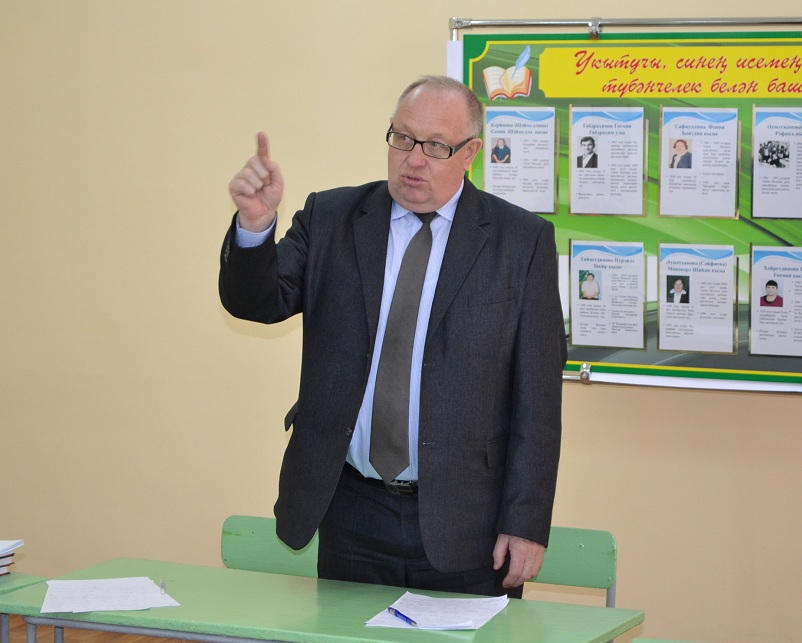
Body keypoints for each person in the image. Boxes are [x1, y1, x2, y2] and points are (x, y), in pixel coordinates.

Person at [219, 75, 566, 599]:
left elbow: (538, 398)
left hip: (468, 519)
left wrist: (526, 521)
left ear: (470, 153)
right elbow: (257, 303)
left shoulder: (520, 242)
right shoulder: (332, 218)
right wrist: (254, 226)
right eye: (402, 138)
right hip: (351, 508)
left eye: (436, 146)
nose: (413, 160)